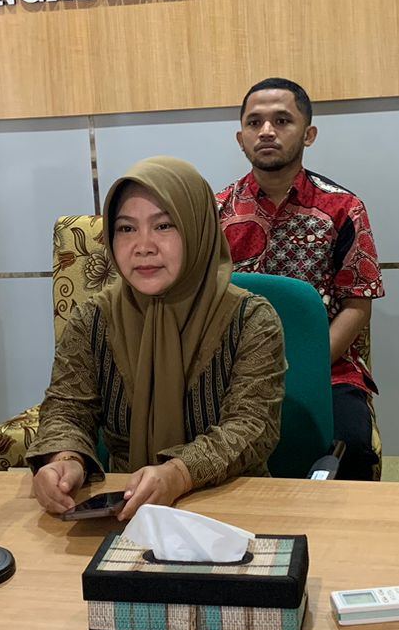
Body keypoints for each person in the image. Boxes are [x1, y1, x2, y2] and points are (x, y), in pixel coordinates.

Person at [29, 157, 286, 519]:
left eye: (163, 226)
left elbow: (250, 426)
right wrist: (64, 458)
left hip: (229, 505)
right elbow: (67, 408)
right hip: (126, 508)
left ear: (197, 229)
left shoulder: (251, 319)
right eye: (126, 228)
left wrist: (179, 473)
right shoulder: (93, 319)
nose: (143, 246)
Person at [216, 78, 384, 479]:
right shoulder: (214, 212)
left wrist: (303, 366)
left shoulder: (344, 208)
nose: (266, 131)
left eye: (282, 120)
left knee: (351, 447)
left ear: (308, 134)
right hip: (231, 373)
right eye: (254, 122)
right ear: (240, 139)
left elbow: (357, 306)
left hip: (326, 370)